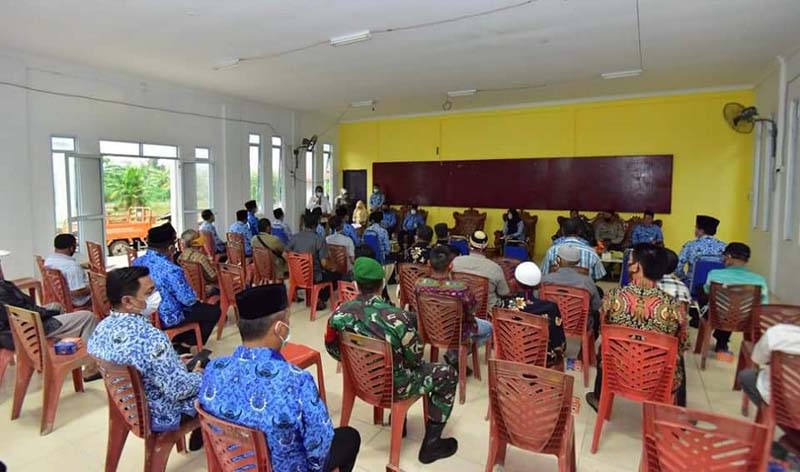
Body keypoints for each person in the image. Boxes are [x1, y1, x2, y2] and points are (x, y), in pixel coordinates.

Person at [201, 284, 361, 471]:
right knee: (349, 437)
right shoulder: (296, 381)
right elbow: (319, 451)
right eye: (288, 319)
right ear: (280, 327)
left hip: (236, 465)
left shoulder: (213, 369)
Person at [325, 257, 459, 464]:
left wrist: (359, 364)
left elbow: (333, 349)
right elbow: (415, 358)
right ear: (383, 283)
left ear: (355, 285)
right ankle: (431, 444)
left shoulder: (339, 314)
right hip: (395, 387)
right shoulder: (398, 319)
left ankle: (400, 422)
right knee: (447, 374)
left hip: (360, 381)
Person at [88, 267, 203, 449]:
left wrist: (172, 362)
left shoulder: (101, 329)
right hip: (160, 412)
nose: (156, 296)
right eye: (149, 292)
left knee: (191, 366)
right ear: (128, 301)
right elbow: (179, 390)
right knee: (215, 375)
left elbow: (138, 363)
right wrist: (199, 375)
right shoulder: (151, 338)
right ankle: (208, 437)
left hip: (127, 405)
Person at [585, 244, 687, 412]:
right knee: (677, 355)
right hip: (658, 376)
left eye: (630, 261)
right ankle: (677, 412)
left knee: (606, 347)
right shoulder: (674, 306)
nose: (628, 264)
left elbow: (604, 329)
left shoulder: (614, 297)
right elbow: (682, 343)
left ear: (637, 267)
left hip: (616, 370)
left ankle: (599, 398)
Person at [133, 223, 221, 348]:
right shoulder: (171, 270)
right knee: (213, 311)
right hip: (168, 317)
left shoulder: (137, 262)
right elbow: (188, 300)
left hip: (146, 313)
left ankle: (177, 339)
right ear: (170, 248)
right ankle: (186, 345)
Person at [0, 278, 100, 380]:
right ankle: (93, 367)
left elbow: (24, 306)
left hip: (17, 327)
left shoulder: (3, 286)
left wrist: (45, 311)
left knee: (56, 306)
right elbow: (25, 310)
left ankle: (62, 349)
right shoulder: (2, 290)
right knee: (88, 317)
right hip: (29, 329)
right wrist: (46, 313)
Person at [416, 246, 493, 362]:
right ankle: (456, 353)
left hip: (429, 328)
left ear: (429, 264)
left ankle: (454, 353)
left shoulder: (419, 284)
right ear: (451, 266)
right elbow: (472, 309)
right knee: (490, 328)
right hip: (457, 334)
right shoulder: (461, 288)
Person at [703, 242, 769, 352]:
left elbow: (707, 292)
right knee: (735, 308)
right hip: (746, 320)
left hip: (717, 317)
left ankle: (719, 339)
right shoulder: (759, 280)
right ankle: (722, 342)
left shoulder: (714, 274)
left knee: (722, 306)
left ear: (728, 257)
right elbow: (764, 304)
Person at [500, 262, 566, 368]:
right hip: (540, 358)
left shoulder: (504, 305)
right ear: (537, 285)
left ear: (515, 282)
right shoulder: (550, 308)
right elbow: (558, 341)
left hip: (509, 353)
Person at [541, 244, 602, 331]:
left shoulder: (545, 280)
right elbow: (596, 306)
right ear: (578, 262)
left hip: (551, 323)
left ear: (558, 259)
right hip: (579, 326)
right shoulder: (586, 282)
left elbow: (539, 301)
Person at [737, 323, 800, 408]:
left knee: (746, 376)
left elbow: (757, 359)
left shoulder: (777, 333)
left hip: (777, 399)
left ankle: (770, 414)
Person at [286, 212, 337, 310]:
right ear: (317, 224)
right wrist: (333, 267)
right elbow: (324, 263)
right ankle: (319, 299)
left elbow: (285, 254)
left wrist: (293, 266)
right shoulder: (319, 239)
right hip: (314, 277)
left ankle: (316, 297)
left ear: (304, 223)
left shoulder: (295, 237)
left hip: (296, 276)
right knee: (336, 275)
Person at [451, 230, 510, 310]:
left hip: (458, 311)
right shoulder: (495, 268)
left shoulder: (455, 261)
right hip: (485, 315)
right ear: (486, 247)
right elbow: (504, 292)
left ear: (469, 245)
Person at [541, 217, 607, 280]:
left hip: (555, 290)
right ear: (580, 232)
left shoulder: (552, 250)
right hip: (583, 290)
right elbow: (598, 276)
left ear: (562, 231)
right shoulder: (591, 252)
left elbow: (544, 273)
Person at [675, 214, 726, 283]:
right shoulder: (724, 247)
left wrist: (684, 279)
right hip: (715, 286)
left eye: (696, 227)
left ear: (701, 230)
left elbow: (677, 267)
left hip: (693, 286)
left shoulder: (690, 245)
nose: (695, 230)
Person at [44, 233, 91, 308]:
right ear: (72, 248)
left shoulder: (49, 260)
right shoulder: (72, 267)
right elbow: (76, 292)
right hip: (77, 302)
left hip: (58, 298)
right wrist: (93, 287)